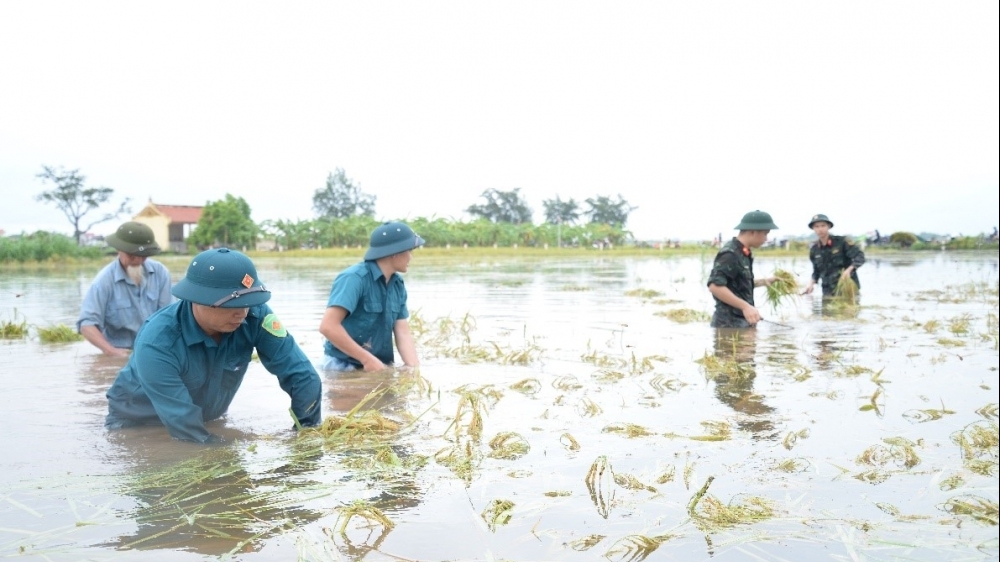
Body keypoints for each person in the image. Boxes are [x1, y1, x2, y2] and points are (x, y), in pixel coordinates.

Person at [105, 248, 322, 443]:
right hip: (140, 423)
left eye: (247, 303)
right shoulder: (157, 342)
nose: (242, 313)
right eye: (232, 304)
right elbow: (186, 429)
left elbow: (302, 376)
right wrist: (242, 445)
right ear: (197, 299)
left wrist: (307, 435)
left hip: (204, 417)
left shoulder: (255, 315)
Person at [319, 221, 425, 371]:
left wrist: (414, 370)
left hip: (378, 366)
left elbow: (403, 332)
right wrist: (367, 359)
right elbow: (328, 326)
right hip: (342, 366)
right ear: (394, 252)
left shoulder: (397, 284)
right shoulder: (354, 278)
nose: (411, 257)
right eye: (409, 251)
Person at [77, 221, 173, 356]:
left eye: (143, 256)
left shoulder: (160, 273)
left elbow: (169, 317)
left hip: (154, 350)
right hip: (123, 351)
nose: (138, 261)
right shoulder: (103, 282)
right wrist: (111, 351)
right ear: (118, 250)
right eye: (132, 256)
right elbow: (87, 325)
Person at [706, 210, 779, 328]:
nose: (766, 239)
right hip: (728, 325)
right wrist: (745, 306)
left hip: (742, 322)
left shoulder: (744, 253)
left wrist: (768, 281)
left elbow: (737, 285)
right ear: (753, 232)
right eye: (765, 234)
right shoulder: (730, 254)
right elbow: (714, 286)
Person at [801, 213, 865, 296]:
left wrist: (849, 270)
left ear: (828, 226)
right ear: (813, 228)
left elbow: (860, 256)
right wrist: (811, 284)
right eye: (817, 226)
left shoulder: (842, 242)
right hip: (828, 292)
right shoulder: (814, 250)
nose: (820, 229)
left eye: (823, 225)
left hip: (848, 289)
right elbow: (816, 271)